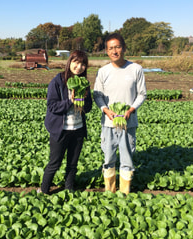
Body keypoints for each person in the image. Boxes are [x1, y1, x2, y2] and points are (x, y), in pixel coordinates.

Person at [93, 33, 147, 195]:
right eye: (111, 48)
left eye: (117, 47)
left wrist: (131, 110)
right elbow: (97, 95)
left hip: (128, 122)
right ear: (106, 51)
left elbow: (142, 94)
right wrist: (105, 110)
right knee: (108, 157)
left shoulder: (136, 69)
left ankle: (124, 192)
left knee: (127, 157)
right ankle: (109, 190)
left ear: (124, 48)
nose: (114, 51)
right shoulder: (103, 71)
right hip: (108, 123)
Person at [41, 50, 92, 194]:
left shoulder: (84, 83)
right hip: (61, 130)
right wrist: (70, 101)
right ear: (70, 62)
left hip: (78, 130)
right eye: (76, 62)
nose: (79, 67)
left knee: (73, 164)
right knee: (54, 163)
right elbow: (52, 106)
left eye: (83, 64)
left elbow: (88, 108)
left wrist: (83, 100)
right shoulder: (58, 80)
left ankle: (69, 189)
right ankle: (44, 190)